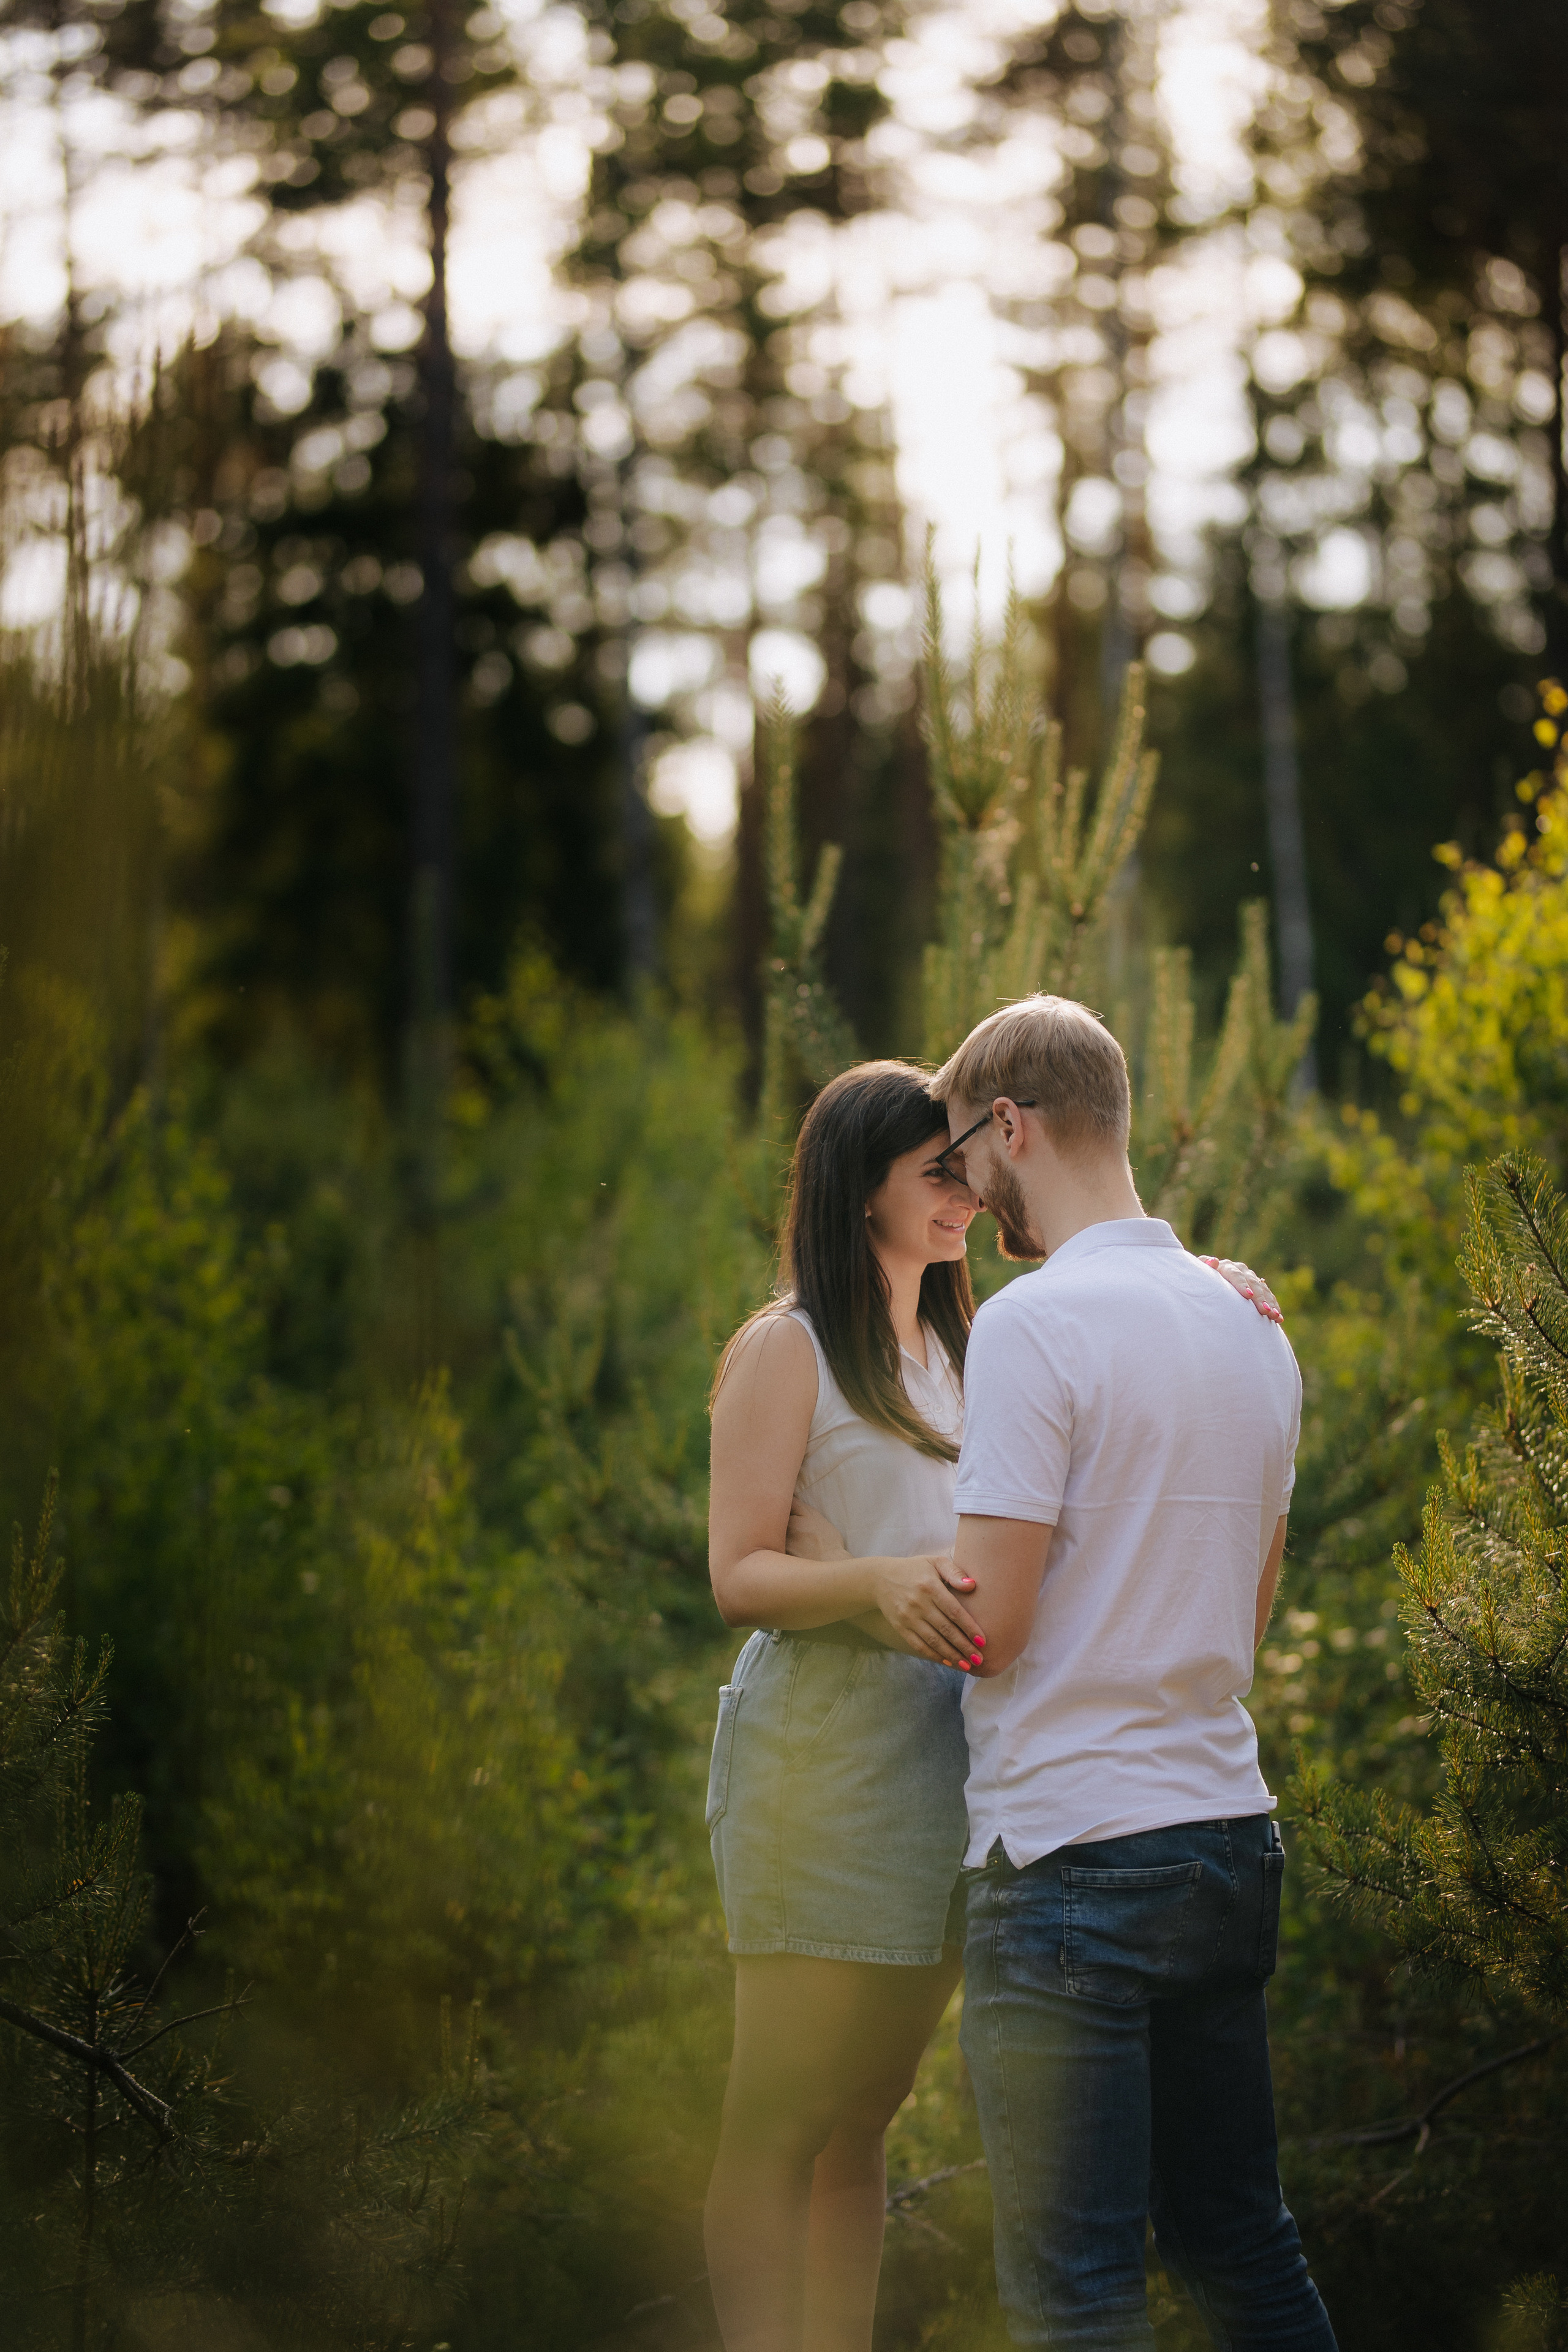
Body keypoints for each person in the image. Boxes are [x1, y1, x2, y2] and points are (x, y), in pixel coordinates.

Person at [703, 1058, 1283, 2352]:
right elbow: (738, 1575)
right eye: (936, 1173)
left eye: (965, 1165)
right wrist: (869, 1581)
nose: (966, 1191)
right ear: (858, 1188)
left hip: (959, 1761)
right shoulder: (789, 1347)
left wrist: (1216, 1290)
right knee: (779, 2119)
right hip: (826, 1767)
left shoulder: (977, 1347)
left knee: (861, 2121)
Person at [930, 994, 1337, 2352]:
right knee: (1244, 2248)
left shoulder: (1033, 1326)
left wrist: (856, 1586)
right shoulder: (1251, 1323)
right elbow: (1247, 1610)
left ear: (1010, 1126)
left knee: (1078, 2295)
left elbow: (991, 1629)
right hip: (1223, 1836)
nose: (968, 1196)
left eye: (963, 1154)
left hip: (1070, 1858)